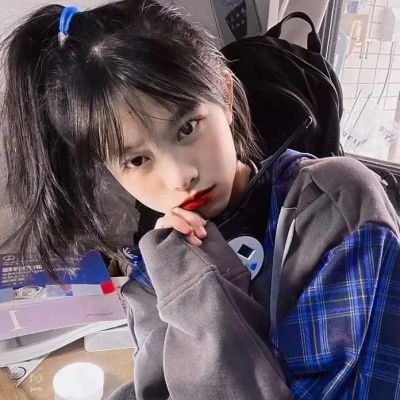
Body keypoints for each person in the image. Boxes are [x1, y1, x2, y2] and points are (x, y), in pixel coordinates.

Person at [1, 1, 399, 399]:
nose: (180, 177)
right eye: (137, 160)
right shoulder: (157, 264)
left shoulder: (334, 205)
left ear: (225, 95)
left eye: (187, 128)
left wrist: (195, 288)